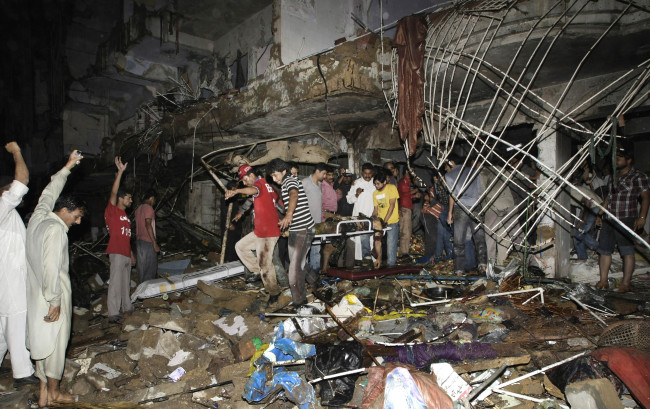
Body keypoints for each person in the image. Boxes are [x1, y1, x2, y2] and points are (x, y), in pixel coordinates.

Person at [26, 150, 84, 406]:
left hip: (34, 294)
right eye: (77, 215)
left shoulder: (37, 220)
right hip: (52, 295)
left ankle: (44, 395)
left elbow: (47, 194)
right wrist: (55, 300)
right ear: (64, 210)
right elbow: (51, 267)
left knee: (40, 344)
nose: (78, 221)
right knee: (55, 347)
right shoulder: (56, 230)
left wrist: (67, 167)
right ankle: (55, 392)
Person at [0, 142, 39, 388]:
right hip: (10, 279)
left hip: (6, 277)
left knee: (3, 325)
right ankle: (22, 373)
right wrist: (16, 152)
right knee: (16, 320)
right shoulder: (3, 205)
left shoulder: (8, 213)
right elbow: (22, 179)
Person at [596, 145, 649, 292]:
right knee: (604, 251)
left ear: (629, 160)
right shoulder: (614, 176)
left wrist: (642, 217)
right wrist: (600, 214)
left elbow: (645, 197)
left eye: (619, 159)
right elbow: (609, 197)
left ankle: (625, 284)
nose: (615, 161)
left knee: (627, 251)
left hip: (626, 218)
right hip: (609, 218)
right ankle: (603, 281)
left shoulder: (639, 177)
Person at [225, 165, 282, 301]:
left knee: (266, 264)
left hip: (268, 232)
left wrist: (237, 191)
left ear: (251, 175)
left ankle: (274, 293)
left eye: (244, 180)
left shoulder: (259, 184)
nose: (244, 183)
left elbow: (253, 191)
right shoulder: (267, 185)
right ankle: (258, 271)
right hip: (260, 231)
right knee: (240, 247)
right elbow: (256, 198)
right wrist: (241, 212)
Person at [269, 158, 317, 306]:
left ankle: (300, 303)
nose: (274, 178)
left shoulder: (289, 180)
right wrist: (289, 225)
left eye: (275, 175)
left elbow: (294, 195)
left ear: (283, 172)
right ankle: (317, 281)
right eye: (271, 176)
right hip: (297, 230)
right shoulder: (285, 183)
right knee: (299, 264)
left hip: (304, 230)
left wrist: (289, 215)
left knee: (294, 272)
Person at [445, 155, 488, 276]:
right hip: (476, 207)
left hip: (461, 208)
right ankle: (483, 266)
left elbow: (453, 195)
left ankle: (459, 270)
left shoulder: (449, 175)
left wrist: (450, 213)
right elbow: (481, 191)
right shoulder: (475, 171)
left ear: (451, 162)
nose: (445, 168)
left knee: (459, 241)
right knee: (479, 240)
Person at [105, 157, 135, 324]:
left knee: (125, 283)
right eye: (128, 198)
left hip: (125, 252)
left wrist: (131, 254)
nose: (131, 201)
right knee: (115, 283)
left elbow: (127, 237)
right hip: (115, 252)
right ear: (121, 198)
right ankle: (113, 313)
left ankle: (127, 306)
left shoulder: (125, 216)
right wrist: (120, 173)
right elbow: (114, 193)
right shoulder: (113, 211)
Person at [346, 163, 376, 261]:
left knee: (373, 239)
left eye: (369, 173)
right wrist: (356, 195)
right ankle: (362, 260)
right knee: (361, 239)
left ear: (372, 173)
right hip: (359, 216)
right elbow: (349, 200)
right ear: (362, 173)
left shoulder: (376, 183)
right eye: (365, 173)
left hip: (373, 215)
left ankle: (372, 260)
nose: (367, 176)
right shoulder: (357, 183)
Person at [302, 163, 327, 273]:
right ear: (317, 171)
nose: (325, 176)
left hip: (317, 222)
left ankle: (315, 272)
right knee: (304, 249)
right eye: (324, 173)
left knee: (316, 248)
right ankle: (304, 272)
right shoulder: (305, 183)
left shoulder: (320, 184)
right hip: (306, 221)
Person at [373, 168, 400, 267]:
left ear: (384, 182)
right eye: (375, 184)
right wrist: (371, 219)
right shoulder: (375, 193)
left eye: (378, 184)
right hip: (381, 223)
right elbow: (376, 210)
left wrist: (385, 221)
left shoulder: (391, 188)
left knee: (391, 245)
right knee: (378, 242)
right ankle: (379, 261)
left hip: (392, 221)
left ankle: (391, 265)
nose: (376, 186)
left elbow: (392, 206)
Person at [135, 189, 159, 282]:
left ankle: (142, 286)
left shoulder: (138, 209)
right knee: (150, 267)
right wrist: (154, 243)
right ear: (152, 198)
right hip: (148, 241)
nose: (154, 202)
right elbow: (148, 224)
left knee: (142, 266)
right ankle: (149, 288)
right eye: (154, 200)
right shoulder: (149, 208)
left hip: (139, 241)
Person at [397, 168, 417, 257]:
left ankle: (403, 251)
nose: (413, 172)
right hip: (405, 208)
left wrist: (413, 195)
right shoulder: (403, 182)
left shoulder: (407, 181)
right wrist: (414, 193)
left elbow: (406, 195)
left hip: (406, 208)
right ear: (406, 171)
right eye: (411, 171)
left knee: (407, 230)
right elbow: (404, 194)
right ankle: (404, 252)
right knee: (405, 231)